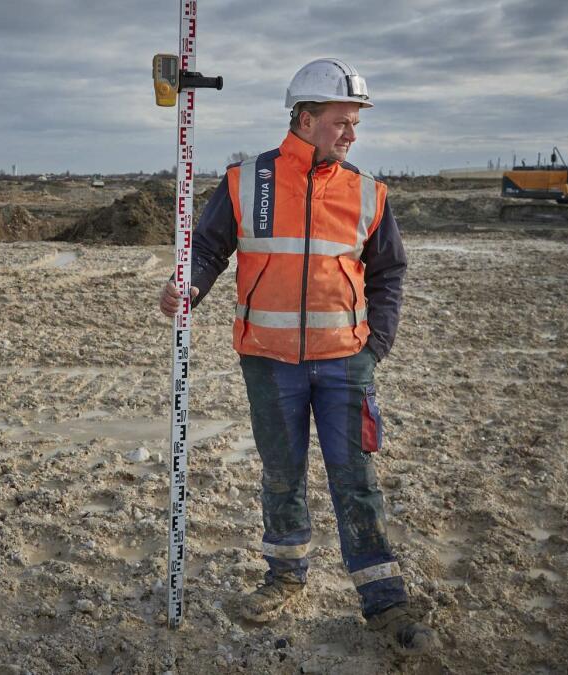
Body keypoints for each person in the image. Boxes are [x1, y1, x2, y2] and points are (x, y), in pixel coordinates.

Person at [158, 58, 437, 655]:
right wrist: (189, 286)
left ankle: (384, 602)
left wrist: (375, 346)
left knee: (356, 480)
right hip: (269, 360)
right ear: (305, 119)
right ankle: (285, 576)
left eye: (355, 123)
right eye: (342, 121)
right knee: (281, 475)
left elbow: (389, 272)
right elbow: (207, 249)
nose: (351, 134)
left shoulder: (367, 193)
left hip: (345, 363)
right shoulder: (245, 181)